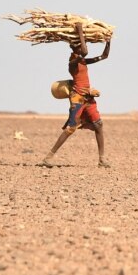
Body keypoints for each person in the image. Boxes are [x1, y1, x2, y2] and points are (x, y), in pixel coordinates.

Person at [42, 23, 111, 168]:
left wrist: (108, 41)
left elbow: (104, 56)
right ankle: (48, 158)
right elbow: (84, 52)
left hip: (88, 97)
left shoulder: (83, 61)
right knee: (70, 129)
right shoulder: (73, 62)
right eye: (80, 45)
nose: (83, 47)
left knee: (98, 125)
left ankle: (102, 160)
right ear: (75, 48)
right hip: (77, 98)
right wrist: (80, 31)